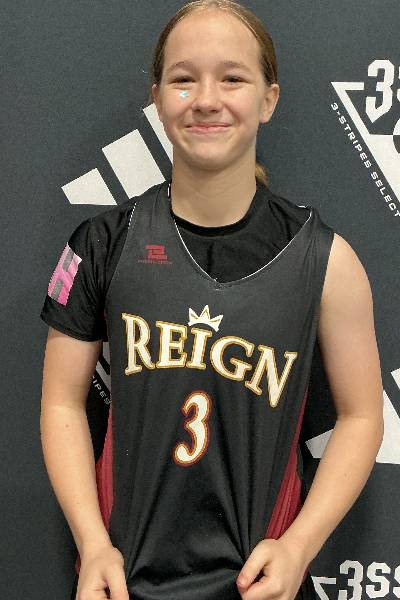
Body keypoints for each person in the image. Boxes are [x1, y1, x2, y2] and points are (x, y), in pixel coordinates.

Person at [40, 2, 383, 600]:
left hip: (259, 585)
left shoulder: (327, 261)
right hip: (125, 582)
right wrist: (92, 544)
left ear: (269, 99)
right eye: (183, 79)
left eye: (232, 78)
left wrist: (299, 546)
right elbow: (62, 402)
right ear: (157, 99)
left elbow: (362, 417)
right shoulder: (103, 244)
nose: (205, 99)